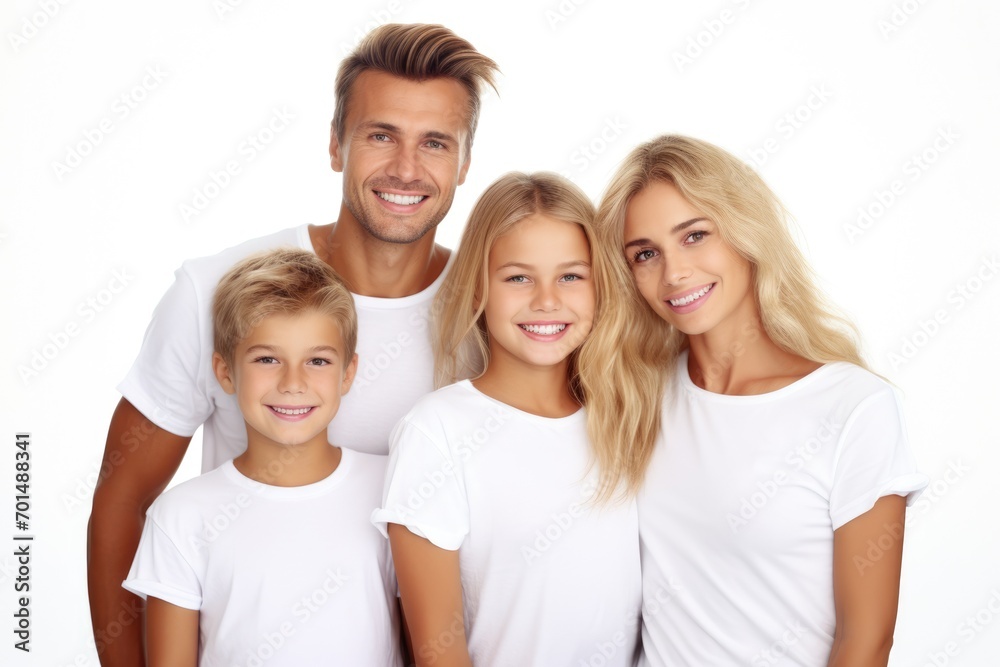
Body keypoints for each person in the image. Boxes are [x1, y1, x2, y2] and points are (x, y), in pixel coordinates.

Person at [88, 23, 498, 666]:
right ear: (336, 145)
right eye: (380, 134)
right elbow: (121, 498)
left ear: (465, 163)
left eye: (436, 143)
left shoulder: (494, 312)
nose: (406, 169)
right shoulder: (215, 291)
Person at [596, 134, 929, 666]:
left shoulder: (853, 407)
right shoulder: (635, 399)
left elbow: (866, 642)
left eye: (695, 235)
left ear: (745, 234)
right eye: (645, 254)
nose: (674, 272)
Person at [372, 172, 655, 666]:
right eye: (518, 277)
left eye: (571, 275)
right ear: (479, 287)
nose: (546, 300)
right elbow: (438, 652)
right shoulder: (438, 432)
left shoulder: (627, 415)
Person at [122, 248, 401, 666]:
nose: (293, 383)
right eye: (267, 359)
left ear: (348, 373)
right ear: (225, 371)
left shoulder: (392, 494)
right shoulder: (182, 517)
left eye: (317, 360)